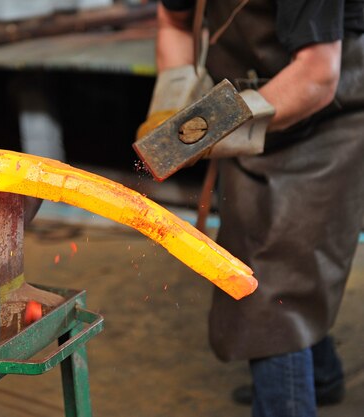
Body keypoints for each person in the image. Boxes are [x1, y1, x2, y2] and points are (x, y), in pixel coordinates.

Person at [145, 1, 364, 416]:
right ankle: (323, 375)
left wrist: (217, 124)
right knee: (281, 260)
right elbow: (174, 21)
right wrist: (169, 104)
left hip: (327, 120)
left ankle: (285, 402)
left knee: (271, 291)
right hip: (248, 111)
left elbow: (317, 73)